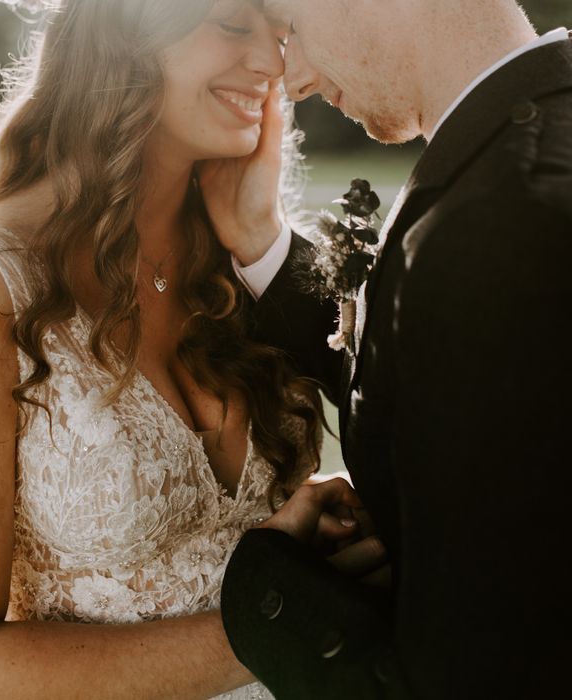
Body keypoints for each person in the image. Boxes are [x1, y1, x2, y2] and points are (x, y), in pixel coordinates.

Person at [0, 1, 386, 698]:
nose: (273, 65)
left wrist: (311, 535)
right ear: (123, 32)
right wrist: (276, 613)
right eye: (235, 26)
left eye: (282, 34)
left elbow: (411, 397)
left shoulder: (242, 261)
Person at [218, 1, 572, 698]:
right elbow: (443, 361)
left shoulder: (507, 223)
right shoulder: (515, 152)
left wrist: (265, 595)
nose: (293, 81)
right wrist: (263, 244)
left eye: (293, 28)